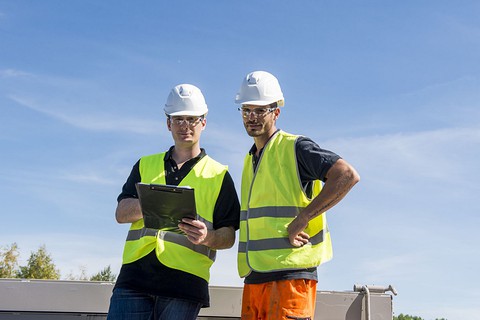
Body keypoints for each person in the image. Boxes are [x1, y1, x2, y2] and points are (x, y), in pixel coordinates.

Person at [107, 83, 240, 320]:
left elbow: (228, 235)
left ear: (203, 123)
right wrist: (151, 203)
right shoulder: (145, 164)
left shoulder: (219, 175)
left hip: (185, 284)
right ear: (168, 123)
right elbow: (121, 213)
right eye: (178, 119)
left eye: (192, 119)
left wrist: (207, 237)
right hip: (135, 279)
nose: (185, 126)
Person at [234, 71, 360, 320]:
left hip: (291, 276)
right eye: (247, 110)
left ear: (276, 112)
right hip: (255, 275)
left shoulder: (295, 147)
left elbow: (347, 175)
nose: (252, 117)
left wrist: (303, 218)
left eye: (261, 111)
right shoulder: (250, 160)